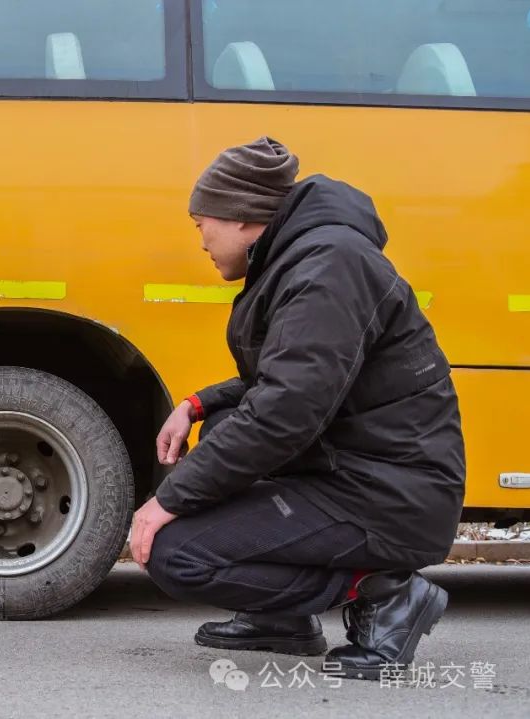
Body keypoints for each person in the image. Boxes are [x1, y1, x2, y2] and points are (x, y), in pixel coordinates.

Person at [130, 138, 465, 680]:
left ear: (241, 217)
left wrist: (167, 500)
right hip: (358, 475)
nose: (200, 241)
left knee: (176, 552)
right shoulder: (306, 257)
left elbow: (288, 408)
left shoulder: (329, 267)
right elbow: (289, 377)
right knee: (219, 429)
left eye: (201, 224)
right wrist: (196, 404)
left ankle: (385, 594)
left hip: (387, 495)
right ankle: (282, 616)